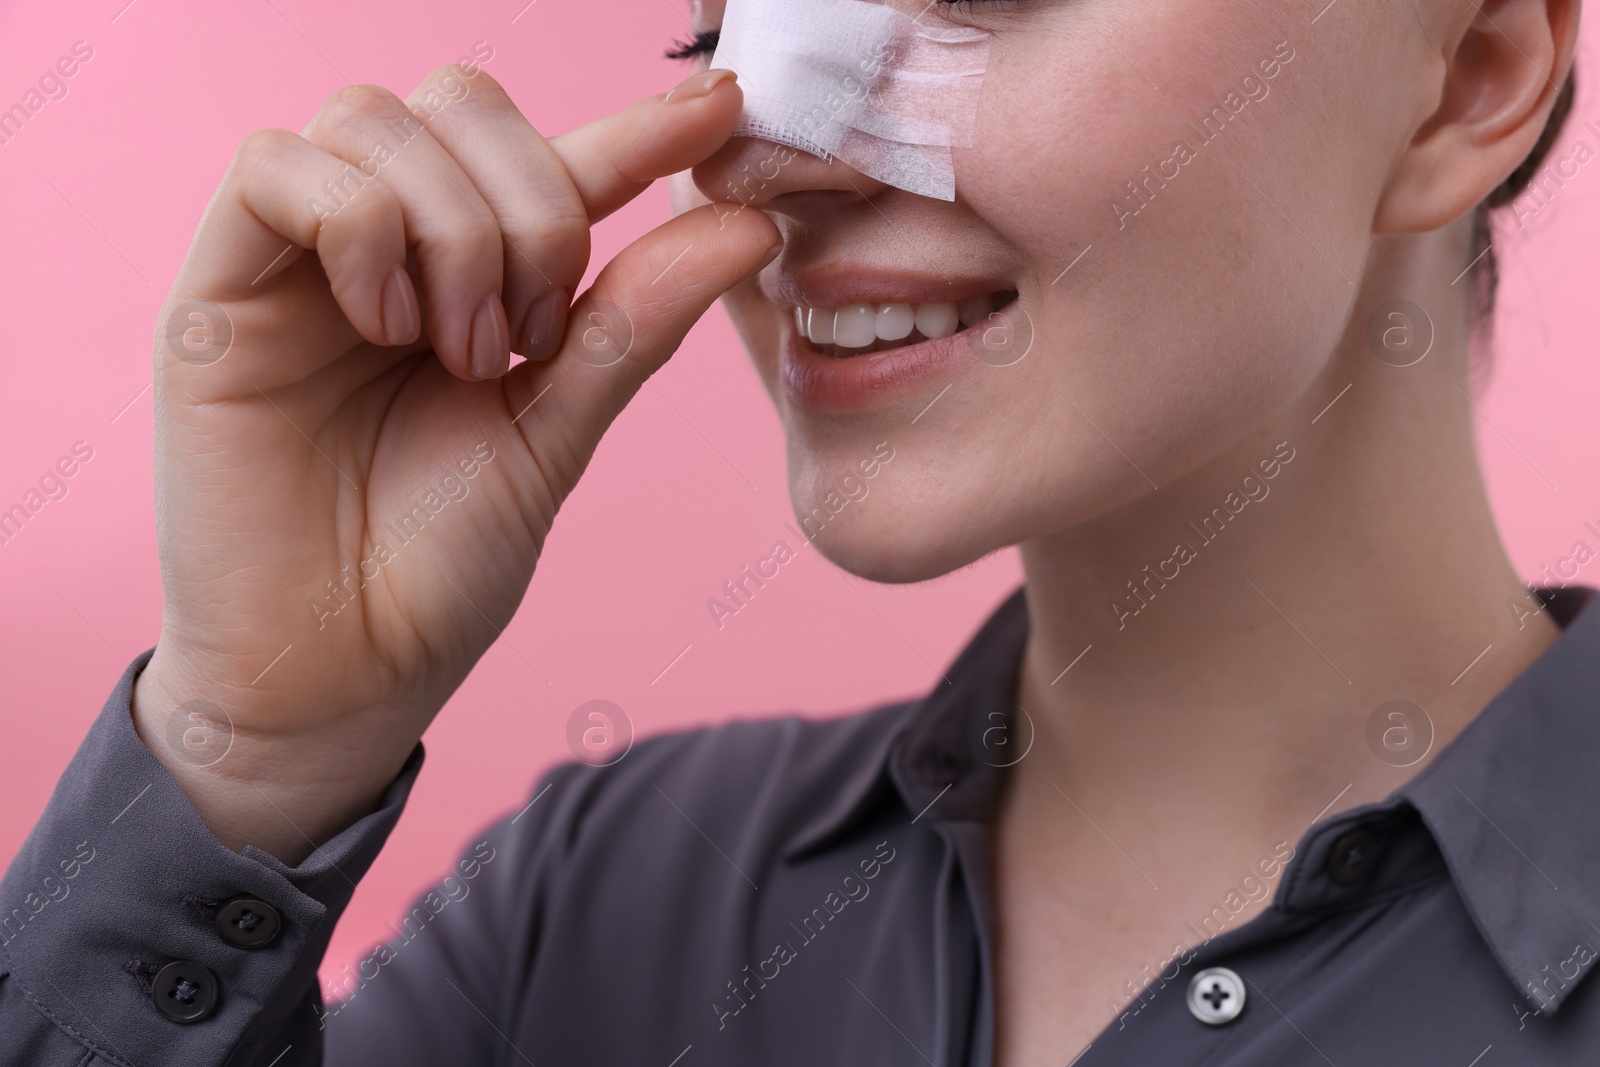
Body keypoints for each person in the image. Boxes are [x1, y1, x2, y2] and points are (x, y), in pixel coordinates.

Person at [3, 0, 1593, 1063]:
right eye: (728, 18)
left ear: (1463, 75)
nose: (770, 139)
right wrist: (249, 745)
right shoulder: (597, 908)